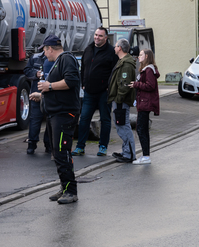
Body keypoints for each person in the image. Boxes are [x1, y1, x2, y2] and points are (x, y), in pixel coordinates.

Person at [30, 35, 81, 204]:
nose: (44, 54)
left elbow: (72, 81)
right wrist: (42, 95)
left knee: (61, 153)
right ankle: (65, 187)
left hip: (64, 115)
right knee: (58, 153)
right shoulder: (60, 62)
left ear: (50, 48)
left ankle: (70, 191)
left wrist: (49, 86)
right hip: (56, 114)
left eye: (45, 50)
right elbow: (60, 90)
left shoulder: (66, 59)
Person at [72, 27, 119, 157]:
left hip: (104, 92)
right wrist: (83, 83)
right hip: (89, 92)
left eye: (100, 36)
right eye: (96, 35)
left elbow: (115, 71)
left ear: (105, 38)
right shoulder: (88, 49)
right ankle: (80, 146)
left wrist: (110, 87)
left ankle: (103, 146)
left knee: (105, 119)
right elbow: (83, 68)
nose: (97, 37)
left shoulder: (111, 52)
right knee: (84, 119)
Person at [108, 38, 137, 163]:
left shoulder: (126, 64)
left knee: (123, 125)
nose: (114, 48)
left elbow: (124, 85)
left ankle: (129, 154)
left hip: (121, 101)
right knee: (121, 125)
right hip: (118, 100)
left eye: (115, 46)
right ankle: (126, 152)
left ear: (119, 48)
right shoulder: (123, 61)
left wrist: (119, 99)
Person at [129, 49, 160, 165]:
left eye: (141, 55)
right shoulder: (147, 69)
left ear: (146, 56)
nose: (138, 57)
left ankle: (146, 156)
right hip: (143, 102)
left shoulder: (148, 70)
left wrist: (136, 84)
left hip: (145, 103)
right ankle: (145, 155)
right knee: (142, 129)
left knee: (141, 129)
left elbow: (150, 86)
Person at [23, 49, 54, 154]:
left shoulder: (57, 58)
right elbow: (26, 71)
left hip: (51, 93)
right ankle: (32, 144)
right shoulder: (36, 57)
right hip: (36, 93)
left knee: (50, 121)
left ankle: (48, 145)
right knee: (35, 120)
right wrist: (36, 74)